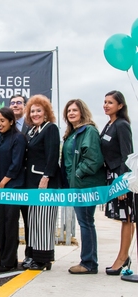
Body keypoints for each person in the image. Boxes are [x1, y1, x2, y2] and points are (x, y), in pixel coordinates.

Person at [62, 99, 106, 274]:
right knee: (85, 222)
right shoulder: (72, 133)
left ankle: (88, 263)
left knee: (86, 222)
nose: (71, 113)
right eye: (68, 111)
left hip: (86, 185)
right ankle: (88, 260)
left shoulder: (89, 131)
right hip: (76, 185)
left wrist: (77, 174)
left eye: (74, 110)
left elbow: (94, 159)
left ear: (82, 112)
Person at [23, 95, 61, 271]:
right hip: (31, 184)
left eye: (39, 110)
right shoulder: (31, 132)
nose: (35, 114)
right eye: (32, 111)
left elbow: (53, 154)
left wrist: (46, 177)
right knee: (34, 221)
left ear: (46, 113)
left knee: (44, 221)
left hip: (45, 182)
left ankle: (43, 259)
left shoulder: (51, 128)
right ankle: (34, 255)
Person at [100, 90, 135, 275]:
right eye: (105, 102)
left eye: (110, 102)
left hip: (122, 178)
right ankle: (123, 256)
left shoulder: (122, 125)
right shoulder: (108, 125)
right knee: (123, 218)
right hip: (111, 176)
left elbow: (127, 155)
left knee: (127, 219)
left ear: (120, 106)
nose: (106, 105)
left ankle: (122, 258)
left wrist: (122, 183)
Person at [0, 107, 27, 272]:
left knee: (10, 224)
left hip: (12, 187)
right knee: (1, 224)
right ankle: (2, 258)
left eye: (2, 121)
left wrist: (4, 181)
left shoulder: (19, 138)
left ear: (11, 121)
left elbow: (16, 163)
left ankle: (9, 261)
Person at [9, 94, 32, 267]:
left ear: (25, 106)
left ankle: (30, 255)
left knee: (29, 221)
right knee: (11, 221)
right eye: (12, 103)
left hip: (29, 181)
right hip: (10, 182)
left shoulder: (32, 124)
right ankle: (10, 257)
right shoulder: (5, 126)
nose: (15, 105)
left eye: (19, 102)